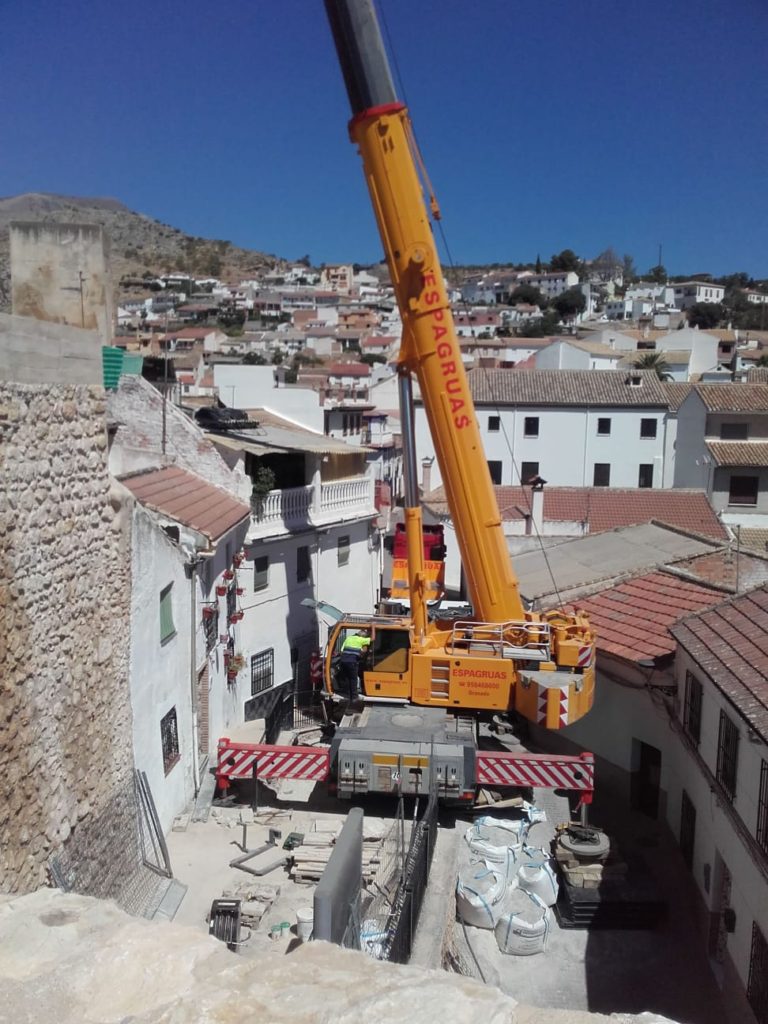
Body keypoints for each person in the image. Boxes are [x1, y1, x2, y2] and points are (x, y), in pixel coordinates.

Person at [337, 631, 370, 701]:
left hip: (343, 661)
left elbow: (341, 651)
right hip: (352, 662)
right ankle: (354, 697)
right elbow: (364, 650)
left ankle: (348, 694)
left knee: (347, 678)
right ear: (362, 637)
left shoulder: (348, 638)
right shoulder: (361, 640)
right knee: (353, 679)